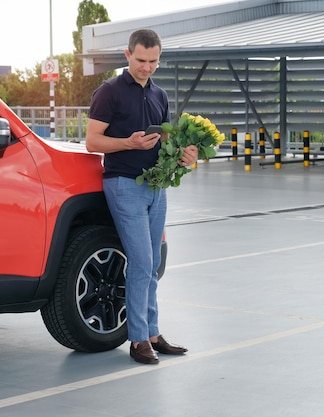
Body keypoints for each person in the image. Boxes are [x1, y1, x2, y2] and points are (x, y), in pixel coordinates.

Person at [86, 29, 198, 365]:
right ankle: (137, 341)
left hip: (156, 186)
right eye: (140, 60)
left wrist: (183, 155)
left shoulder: (160, 95)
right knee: (141, 263)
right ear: (127, 55)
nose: (146, 67)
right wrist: (129, 143)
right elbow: (93, 142)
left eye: (153, 62)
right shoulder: (108, 92)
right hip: (124, 184)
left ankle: (151, 333)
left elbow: (164, 143)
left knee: (151, 266)